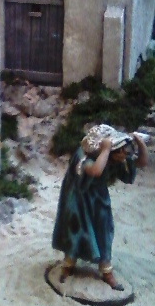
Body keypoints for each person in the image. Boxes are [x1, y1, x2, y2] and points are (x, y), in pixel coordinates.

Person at [52, 124, 148, 291]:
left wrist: (140, 143)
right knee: (75, 231)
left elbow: (141, 162)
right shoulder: (84, 156)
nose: (123, 155)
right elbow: (95, 171)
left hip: (99, 198)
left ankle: (106, 269)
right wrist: (106, 150)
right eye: (120, 151)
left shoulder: (114, 158)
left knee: (104, 230)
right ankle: (68, 263)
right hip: (78, 199)